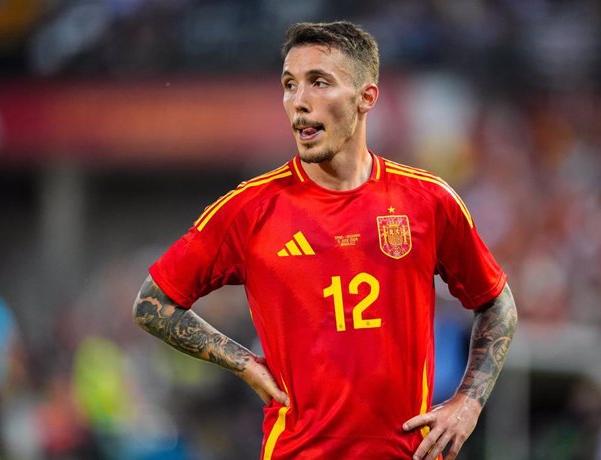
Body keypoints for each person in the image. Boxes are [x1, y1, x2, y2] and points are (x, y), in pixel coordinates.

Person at [133, 21, 517, 460]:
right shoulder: (249, 209)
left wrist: (468, 404)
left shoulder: (428, 201)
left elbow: (496, 302)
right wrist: (241, 362)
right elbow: (152, 304)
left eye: (319, 83)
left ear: (366, 97)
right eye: (289, 85)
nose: (299, 102)